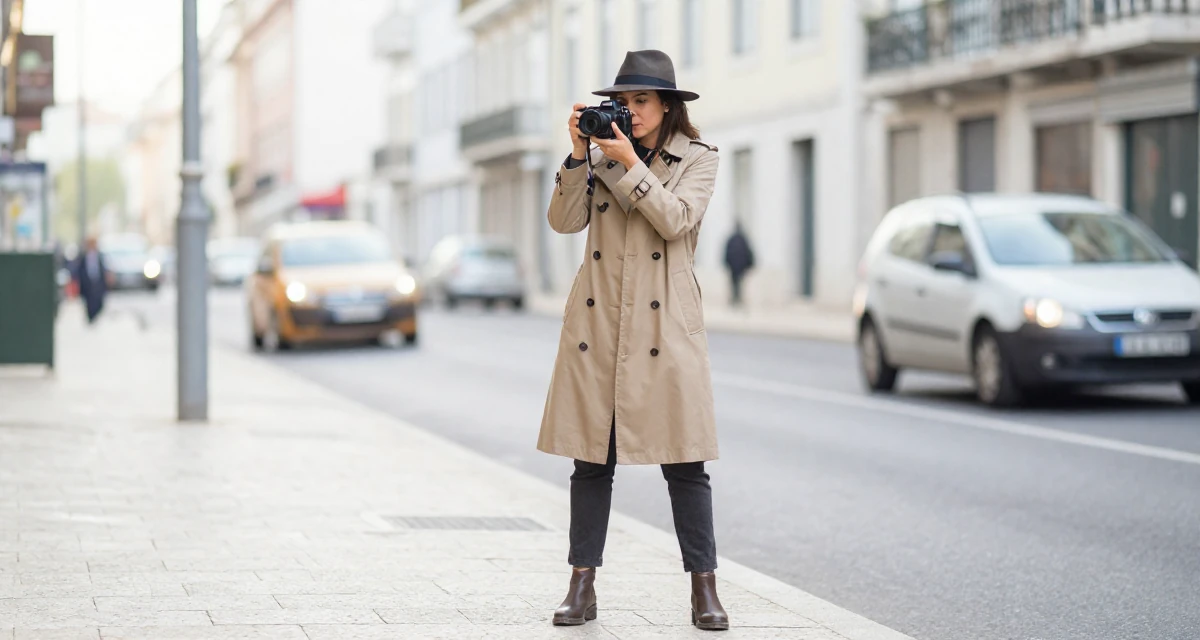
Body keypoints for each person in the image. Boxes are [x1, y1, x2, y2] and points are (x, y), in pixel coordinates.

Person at [539, 49, 728, 631]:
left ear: (668, 105)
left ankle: (704, 590)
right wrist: (579, 155)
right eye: (622, 102)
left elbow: (676, 221)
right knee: (590, 464)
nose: (630, 112)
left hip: (664, 324)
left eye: (641, 101)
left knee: (685, 466)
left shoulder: (697, 158)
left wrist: (626, 164)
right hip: (599, 326)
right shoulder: (596, 155)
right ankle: (581, 585)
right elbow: (564, 223)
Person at [71, 236, 108, 325]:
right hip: (87, 284)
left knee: (99, 302)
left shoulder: (100, 255)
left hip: (98, 283)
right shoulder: (83, 256)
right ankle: (90, 318)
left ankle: (95, 316)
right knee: (88, 303)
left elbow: (104, 268)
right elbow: (77, 270)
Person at [723, 221, 754, 307]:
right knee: (739, 283)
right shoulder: (743, 239)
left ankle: (735, 299)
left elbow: (727, 252)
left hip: (734, 266)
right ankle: (738, 299)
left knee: (734, 283)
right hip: (740, 267)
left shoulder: (732, 239)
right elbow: (748, 253)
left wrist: (727, 263)